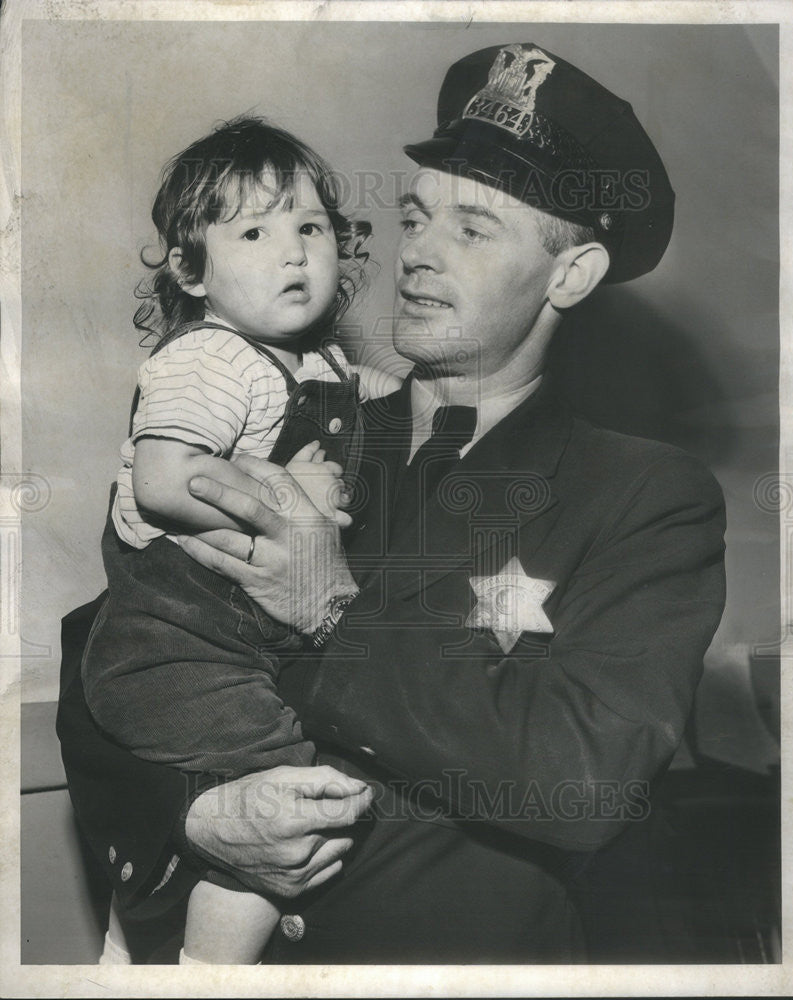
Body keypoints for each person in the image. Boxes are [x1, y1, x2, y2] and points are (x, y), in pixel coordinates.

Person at [58, 42, 727, 963]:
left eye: (474, 229)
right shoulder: (290, 409)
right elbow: (107, 648)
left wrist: (334, 608)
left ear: (569, 276)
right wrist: (198, 816)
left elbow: (586, 779)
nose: (417, 252)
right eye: (416, 217)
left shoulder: (643, 497)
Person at [78, 115, 373, 965]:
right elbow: (162, 483)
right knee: (281, 797)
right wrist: (287, 504)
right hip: (169, 647)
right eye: (254, 232)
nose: (294, 253)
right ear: (189, 268)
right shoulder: (211, 360)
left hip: (238, 646)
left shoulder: (318, 365)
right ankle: (201, 972)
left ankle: (132, 945)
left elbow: (377, 405)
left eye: (311, 228)